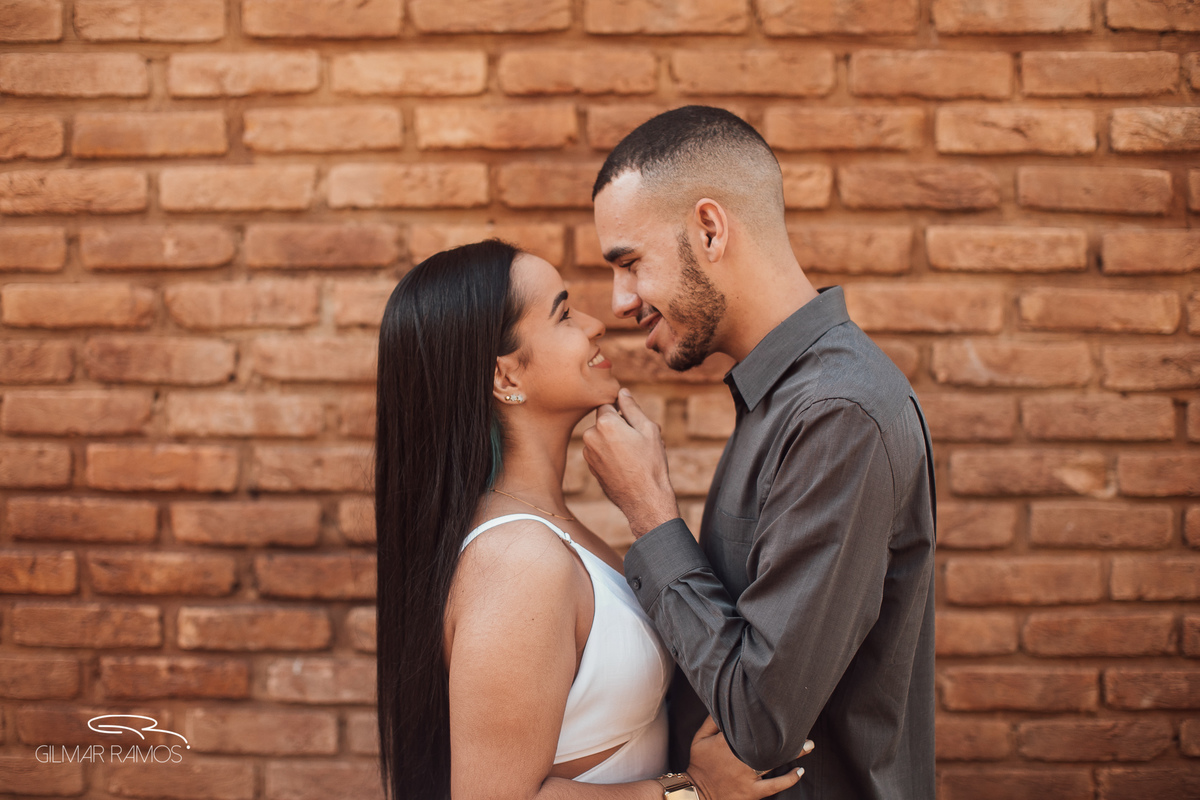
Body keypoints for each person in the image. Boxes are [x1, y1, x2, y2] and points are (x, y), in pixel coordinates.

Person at [582, 106, 937, 799]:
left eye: (629, 263)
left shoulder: (837, 413)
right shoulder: (783, 400)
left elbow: (759, 720)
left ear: (709, 230)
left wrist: (651, 516)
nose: (621, 301)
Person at [373, 239, 809, 800]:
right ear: (506, 376)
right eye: (562, 313)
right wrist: (693, 790)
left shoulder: (551, 532)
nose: (595, 324)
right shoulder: (518, 561)